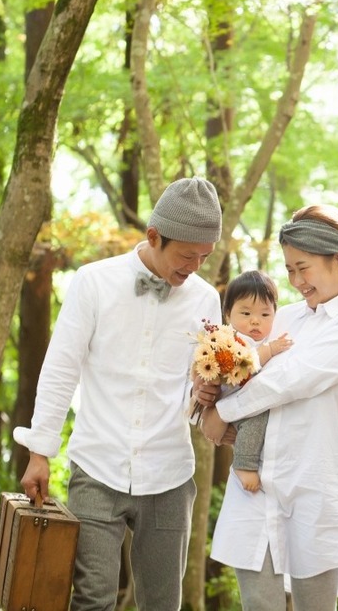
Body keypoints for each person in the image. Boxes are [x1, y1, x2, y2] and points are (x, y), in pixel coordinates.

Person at [14, 177, 223, 611]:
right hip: (97, 466)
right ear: (153, 236)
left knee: (163, 603)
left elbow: (194, 387)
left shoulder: (205, 299)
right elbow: (60, 369)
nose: (196, 267)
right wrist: (39, 453)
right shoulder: (93, 282)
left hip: (170, 473)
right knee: (92, 599)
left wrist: (205, 392)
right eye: (187, 255)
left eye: (205, 256)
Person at [196, 204, 338, 611]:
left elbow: (290, 380)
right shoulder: (284, 318)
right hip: (255, 488)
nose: (296, 281)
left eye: (304, 268)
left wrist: (223, 415)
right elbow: (232, 368)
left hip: (314, 487)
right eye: (289, 270)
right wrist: (202, 404)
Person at [220, 269, 294, 492]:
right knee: (257, 413)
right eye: (245, 314)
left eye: (265, 315)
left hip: (239, 402)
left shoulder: (264, 338)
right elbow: (243, 365)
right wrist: (269, 350)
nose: (255, 321)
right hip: (232, 399)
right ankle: (244, 463)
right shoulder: (231, 339)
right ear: (227, 315)